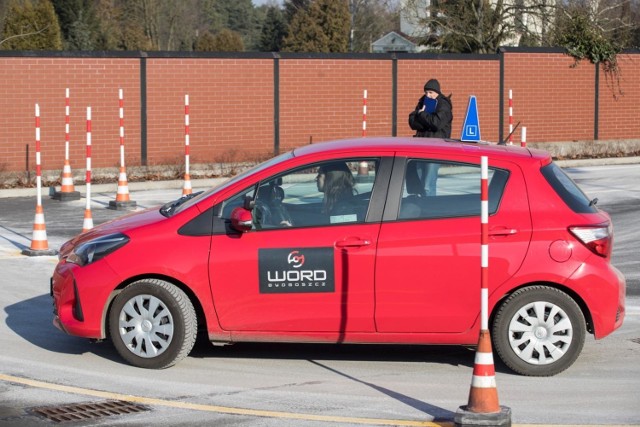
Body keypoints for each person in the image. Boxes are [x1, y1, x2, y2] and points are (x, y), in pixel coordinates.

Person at [408, 79, 453, 195]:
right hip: (421, 145)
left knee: (428, 183)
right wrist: (423, 118)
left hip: (435, 147)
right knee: (418, 182)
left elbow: (436, 123)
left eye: (431, 93)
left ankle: (429, 208)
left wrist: (422, 115)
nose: (428, 95)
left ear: (437, 92)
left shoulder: (444, 104)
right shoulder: (423, 101)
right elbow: (412, 122)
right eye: (426, 92)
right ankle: (420, 206)